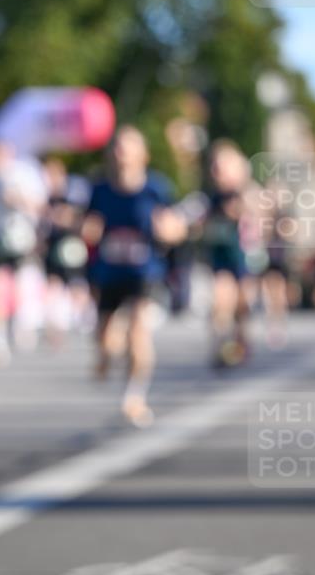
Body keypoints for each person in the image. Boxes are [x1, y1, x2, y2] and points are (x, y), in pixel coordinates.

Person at [83, 125, 187, 427]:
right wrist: (87, 230)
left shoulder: (157, 188)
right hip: (110, 272)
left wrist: (169, 230)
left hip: (145, 272)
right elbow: (88, 224)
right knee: (105, 340)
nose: (122, 154)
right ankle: (105, 356)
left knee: (138, 332)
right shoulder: (100, 189)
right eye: (117, 147)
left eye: (128, 147)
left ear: (143, 154)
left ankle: (134, 396)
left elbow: (177, 227)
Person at [0, 140, 48, 365]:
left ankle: (20, 325)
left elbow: (38, 205)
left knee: (20, 285)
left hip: (21, 238)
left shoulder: (22, 174)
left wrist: (16, 198)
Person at [202, 141, 251, 366]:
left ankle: (241, 339)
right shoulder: (211, 198)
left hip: (243, 257)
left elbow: (259, 210)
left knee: (242, 304)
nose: (218, 172)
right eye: (215, 167)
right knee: (221, 300)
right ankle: (220, 344)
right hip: (220, 257)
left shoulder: (244, 193)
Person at [40, 156, 91, 345]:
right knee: (53, 284)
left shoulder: (72, 194)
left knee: (75, 284)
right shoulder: (47, 197)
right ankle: (55, 325)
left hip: (70, 245)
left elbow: (79, 218)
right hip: (53, 246)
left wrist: (64, 217)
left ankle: (83, 317)